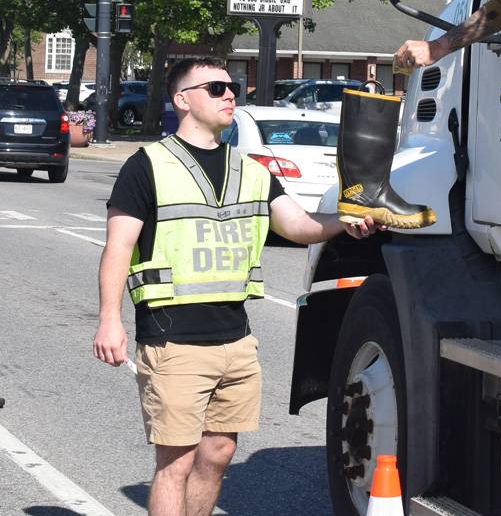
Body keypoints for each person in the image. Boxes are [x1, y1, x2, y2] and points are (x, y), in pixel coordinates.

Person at [92, 57, 381, 516]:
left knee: (219, 454)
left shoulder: (250, 169)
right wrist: (110, 320)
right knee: (176, 462)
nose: (231, 94)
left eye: (233, 87)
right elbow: (117, 248)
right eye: (216, 88)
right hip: (173, 339)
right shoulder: (147, 165)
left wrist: (343, 223)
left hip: (236, 339)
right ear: (182, 100)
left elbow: (299, 224)